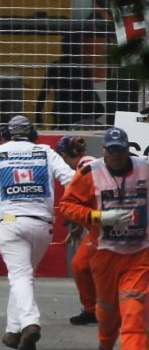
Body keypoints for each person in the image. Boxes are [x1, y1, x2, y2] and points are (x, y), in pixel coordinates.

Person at [0, 114, 74, 350]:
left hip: (10, 224)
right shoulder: (46, 152)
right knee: (24, 276)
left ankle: (30, 323)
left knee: (19, 276)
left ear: (6, 134)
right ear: (33, 134)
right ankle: (14, 331)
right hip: (43, 225)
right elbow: (71, 179)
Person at [61, 127, 149, 350]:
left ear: (127, 149)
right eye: (111, 150)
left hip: (139, 252)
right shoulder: (91, 172)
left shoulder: (145, 167)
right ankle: (105, 343)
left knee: (135, 307)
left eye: (120, 150)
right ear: (104, 151)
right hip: (104, 252)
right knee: (108, 310)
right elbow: (67, 206)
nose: (116, 155)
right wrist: (98, 217)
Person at [55, 135, 98, 326]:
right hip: (100, 226)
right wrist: (78, 227)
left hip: (104, 228)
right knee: (83, 266)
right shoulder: (90, 164)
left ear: (63, 155)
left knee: (80, 266)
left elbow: (76, 203)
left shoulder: (84, 169)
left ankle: (93, 310)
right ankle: (95, 309)